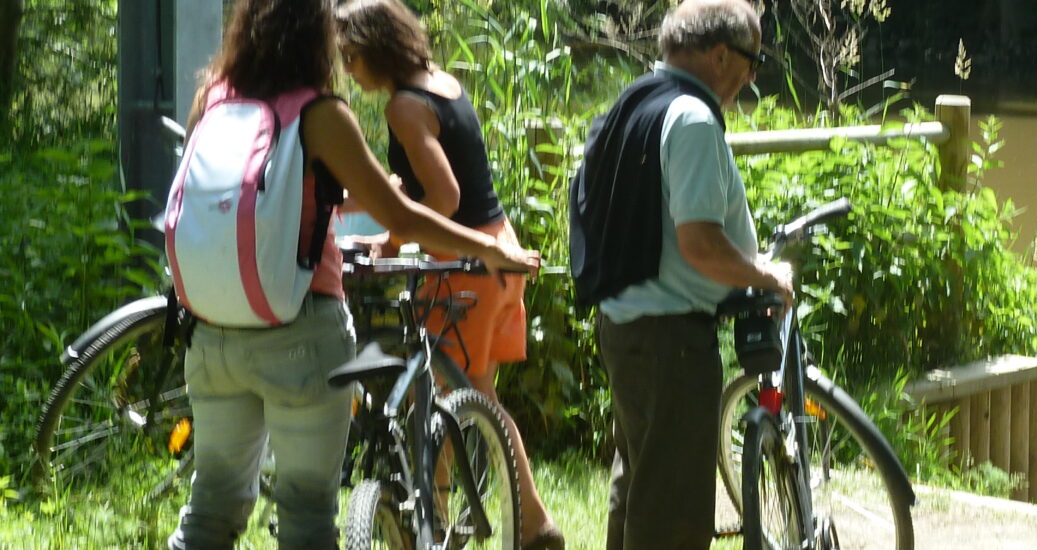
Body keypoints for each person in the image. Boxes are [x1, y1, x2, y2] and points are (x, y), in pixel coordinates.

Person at [167, 0, 540, 548]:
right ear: (315, 39)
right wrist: (487, 248)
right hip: (299, 330)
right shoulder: (319, 114)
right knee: (306, 513)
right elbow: (404, 216)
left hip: (211, 332)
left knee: (209, 508)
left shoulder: (213, 100)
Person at [332, 2, 562, 547]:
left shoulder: (403, 109)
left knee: (431, 399)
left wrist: (390, 239)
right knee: (477, 398)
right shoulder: (443, 86)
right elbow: (424, 175)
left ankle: (428, 524)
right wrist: (358, 197)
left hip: (465, 268)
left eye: (350, 56)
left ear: (373, 49)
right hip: (498, 251)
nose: (347, 69)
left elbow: (443, 196)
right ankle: (533, 522)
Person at [569, 0, 788, 548]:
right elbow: (701, 244)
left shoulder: (632, 102)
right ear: (720, 54)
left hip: (626, 328)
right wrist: (764, 276)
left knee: (640, 487)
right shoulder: (690, 117)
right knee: (675, 515)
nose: (751, 75)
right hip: (671, 343)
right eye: (752, 59)